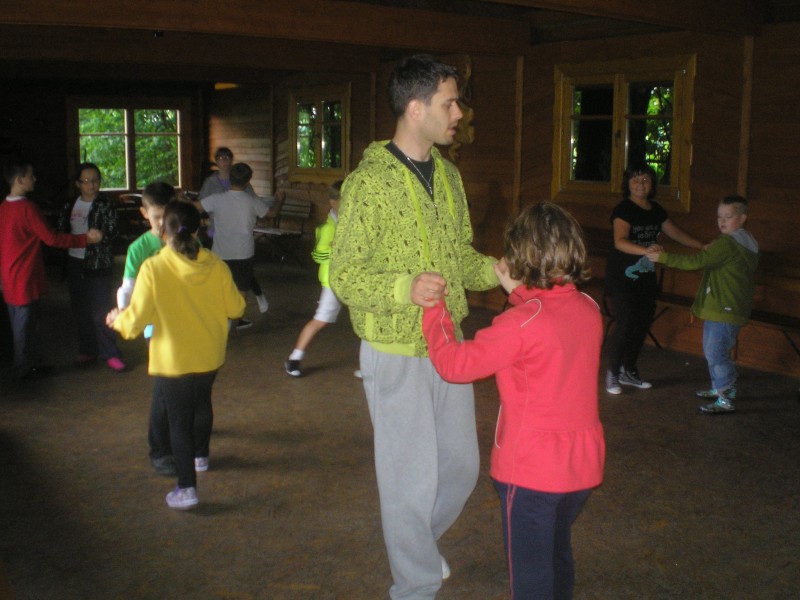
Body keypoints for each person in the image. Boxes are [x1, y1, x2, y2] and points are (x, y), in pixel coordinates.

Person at [329, 54, 499, 599]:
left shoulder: (448, 176)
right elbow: (343, 273)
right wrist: (404, 287)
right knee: (409, 479)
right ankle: (414, 584)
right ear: (415, 107)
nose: (459, 113)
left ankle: (418, 547)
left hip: (449, 345)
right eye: (450, 103)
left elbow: (459, 257)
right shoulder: (368, 182)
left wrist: (499, 273)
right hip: (394, 349)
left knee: (462, 467)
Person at [422, 202, 605, 600]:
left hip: (531, 472)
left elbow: (454, 365)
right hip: (580, 467)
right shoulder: (589, 309)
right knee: (556, 554)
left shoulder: (518, 322)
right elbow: (549, 317)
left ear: (519, 256)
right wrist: (520, 293)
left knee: (530, 574)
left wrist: (435, 311)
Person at [106, 201, 245, 509]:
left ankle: (187, 488)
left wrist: (118, 321)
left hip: (173, 360)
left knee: (179, 421)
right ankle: (201, 457)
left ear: (163, 231)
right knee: (202, 404)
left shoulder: (154, 268)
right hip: (209, 353)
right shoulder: (216, 265)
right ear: (197, 231)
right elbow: (237, 308)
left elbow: (135, 323)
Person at [646, 195, 758, 414]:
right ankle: (719, 387)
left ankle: (726, 396)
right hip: (723, 306)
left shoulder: (728, 243)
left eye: (728, 216)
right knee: (713, 350)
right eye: (719, 216)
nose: (722, 221)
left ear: (743, 218)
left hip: (724, 308)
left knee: (716, 353)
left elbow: (697, 262)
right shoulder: (746, 241)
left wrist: (663, 258)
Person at [604, 163, 704, 395]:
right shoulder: (623, 210)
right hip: (622, 277)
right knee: (626, 322)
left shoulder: (656, 210)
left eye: (645, 180)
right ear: (627, 184)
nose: (641, 184)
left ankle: (629, 370)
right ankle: (613, 372)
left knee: (642, 324)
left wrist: (702, 245)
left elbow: (675, 233)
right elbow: (620, 241)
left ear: (652, 184)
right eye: (635, 180)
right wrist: (647, 250)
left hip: (646, 277)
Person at [0, 158, 101, 379]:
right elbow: (52, 238)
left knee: (24, 323)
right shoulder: (27, 208)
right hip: (24, 276)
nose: (34, 179)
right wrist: (84, 239)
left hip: (8, 276)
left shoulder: (4, 207)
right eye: (30, 176)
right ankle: (23, 369)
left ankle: (32, 364)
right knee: (24, 326)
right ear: (19, 180)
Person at [116, 181, 177, 475]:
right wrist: (125, 313)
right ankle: (160, 449)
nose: (163, 224)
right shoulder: (138, 248)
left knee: (188, 380)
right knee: (164, 385)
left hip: (184, 321)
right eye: (156, 218)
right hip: (154, 325)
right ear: (144, 214)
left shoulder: (188, 241)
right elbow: (127, 289)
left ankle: (188, 425)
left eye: (168, 216)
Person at [59, 162, 125, 372]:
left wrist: (102, 236)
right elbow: (61, 230)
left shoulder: (105, 204)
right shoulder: (70, 205)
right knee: (81, 309)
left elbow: (115, 230)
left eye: (95, 180)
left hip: (98, 263)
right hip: (74, 261)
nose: (91, 185)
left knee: (101, 311)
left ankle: (110, 353)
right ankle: (88, 350)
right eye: (86, 181)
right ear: (78, 184)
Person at [196, 162, 273, 330]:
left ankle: (222, 318)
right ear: (248, 181)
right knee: (242, 287)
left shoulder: (216, 199)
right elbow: (272, 213)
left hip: (220, 252)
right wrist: (280, 200)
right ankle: (235, 319)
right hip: (243, 252)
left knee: (220, 286)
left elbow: (196, 207)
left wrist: (181, 200)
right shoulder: (252, 201)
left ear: (230, 178)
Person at [284, 180, 343, 377]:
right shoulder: (327, 228)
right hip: (333, 282)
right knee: (321, 320)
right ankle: (294, 358)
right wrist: (338, 251)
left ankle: (370, 366)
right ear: (333, 202)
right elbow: (318, 255)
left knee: (366, 318)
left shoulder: (352, 222)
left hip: (353, 279)